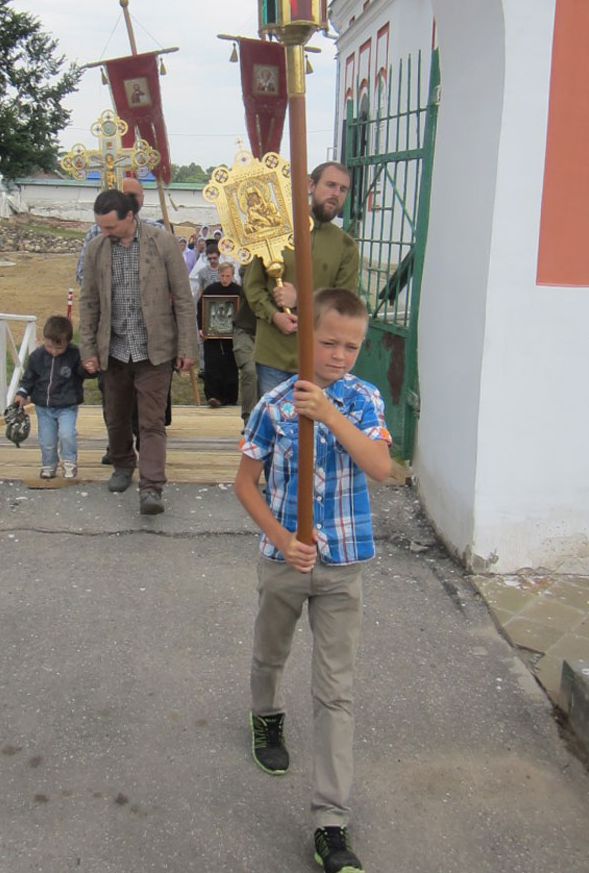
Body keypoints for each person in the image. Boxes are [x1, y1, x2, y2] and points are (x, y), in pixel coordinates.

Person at [234, 288, 392, 873]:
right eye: (328, 343)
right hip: (285, 562)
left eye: (351, 346)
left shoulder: (363, 399)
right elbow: (245, 484)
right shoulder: (274, 405)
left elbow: (381, 467)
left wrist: (329, 413)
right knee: (271, 651)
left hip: (342, 566)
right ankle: (265, 715)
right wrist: (282, 539)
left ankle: (331, 820)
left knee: (335, 691)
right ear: (305, 336)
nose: (340, 356)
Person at [79, 188, 197, 516]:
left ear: (129, 216)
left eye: (110, 226)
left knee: (152, 421)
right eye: (100, 226)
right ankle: (122, 464)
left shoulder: (164, 243)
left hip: (154, 350)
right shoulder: (96, 249)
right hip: (113, 348)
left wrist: (187, 346)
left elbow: (183, 298)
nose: (104, 232)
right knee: (115, 416)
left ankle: (151, 487)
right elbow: (88, 302)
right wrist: (87, 349)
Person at [243, 161, 359, 398]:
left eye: (343, 189)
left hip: (320, 360)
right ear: (311, 185)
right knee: (274, 421)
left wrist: (301, 300)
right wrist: (274, 315)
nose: (336, 194)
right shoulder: (275, 229)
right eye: (330, 185)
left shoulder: (345, 246)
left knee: (315, 422)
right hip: (274, 355)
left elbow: (344, 305)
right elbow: (252, 285)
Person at [14, 315, 91, 480]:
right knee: (46, 439)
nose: (54, 351)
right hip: (44, 407)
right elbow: (29, 378)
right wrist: (22, 393)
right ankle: (49, 464)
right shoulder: (36, 357)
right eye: (50, 346)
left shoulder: (75, 355)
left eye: (59, 348)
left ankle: (69, 461)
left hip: (67, 405)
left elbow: (84, 373)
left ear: (68, 342)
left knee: (67, 434)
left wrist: (89, 369)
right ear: (44, 339)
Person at [198, 262, 240, 408]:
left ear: (232, 275)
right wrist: (201, 327)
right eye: (222, 276)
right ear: (218, 275)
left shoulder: (238, 291)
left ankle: (230, 398)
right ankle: (213, 396)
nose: (225, 279)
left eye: (228, 276)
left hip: (232, 336)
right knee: (212, 365)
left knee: (230, 366)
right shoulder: (210, 290)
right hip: (212, 335)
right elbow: (201, 308)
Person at [232, 267, 258, 429]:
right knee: (250, 370)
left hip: (272, 332)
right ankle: (250, 422)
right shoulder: (250, 268)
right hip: (245, 330)